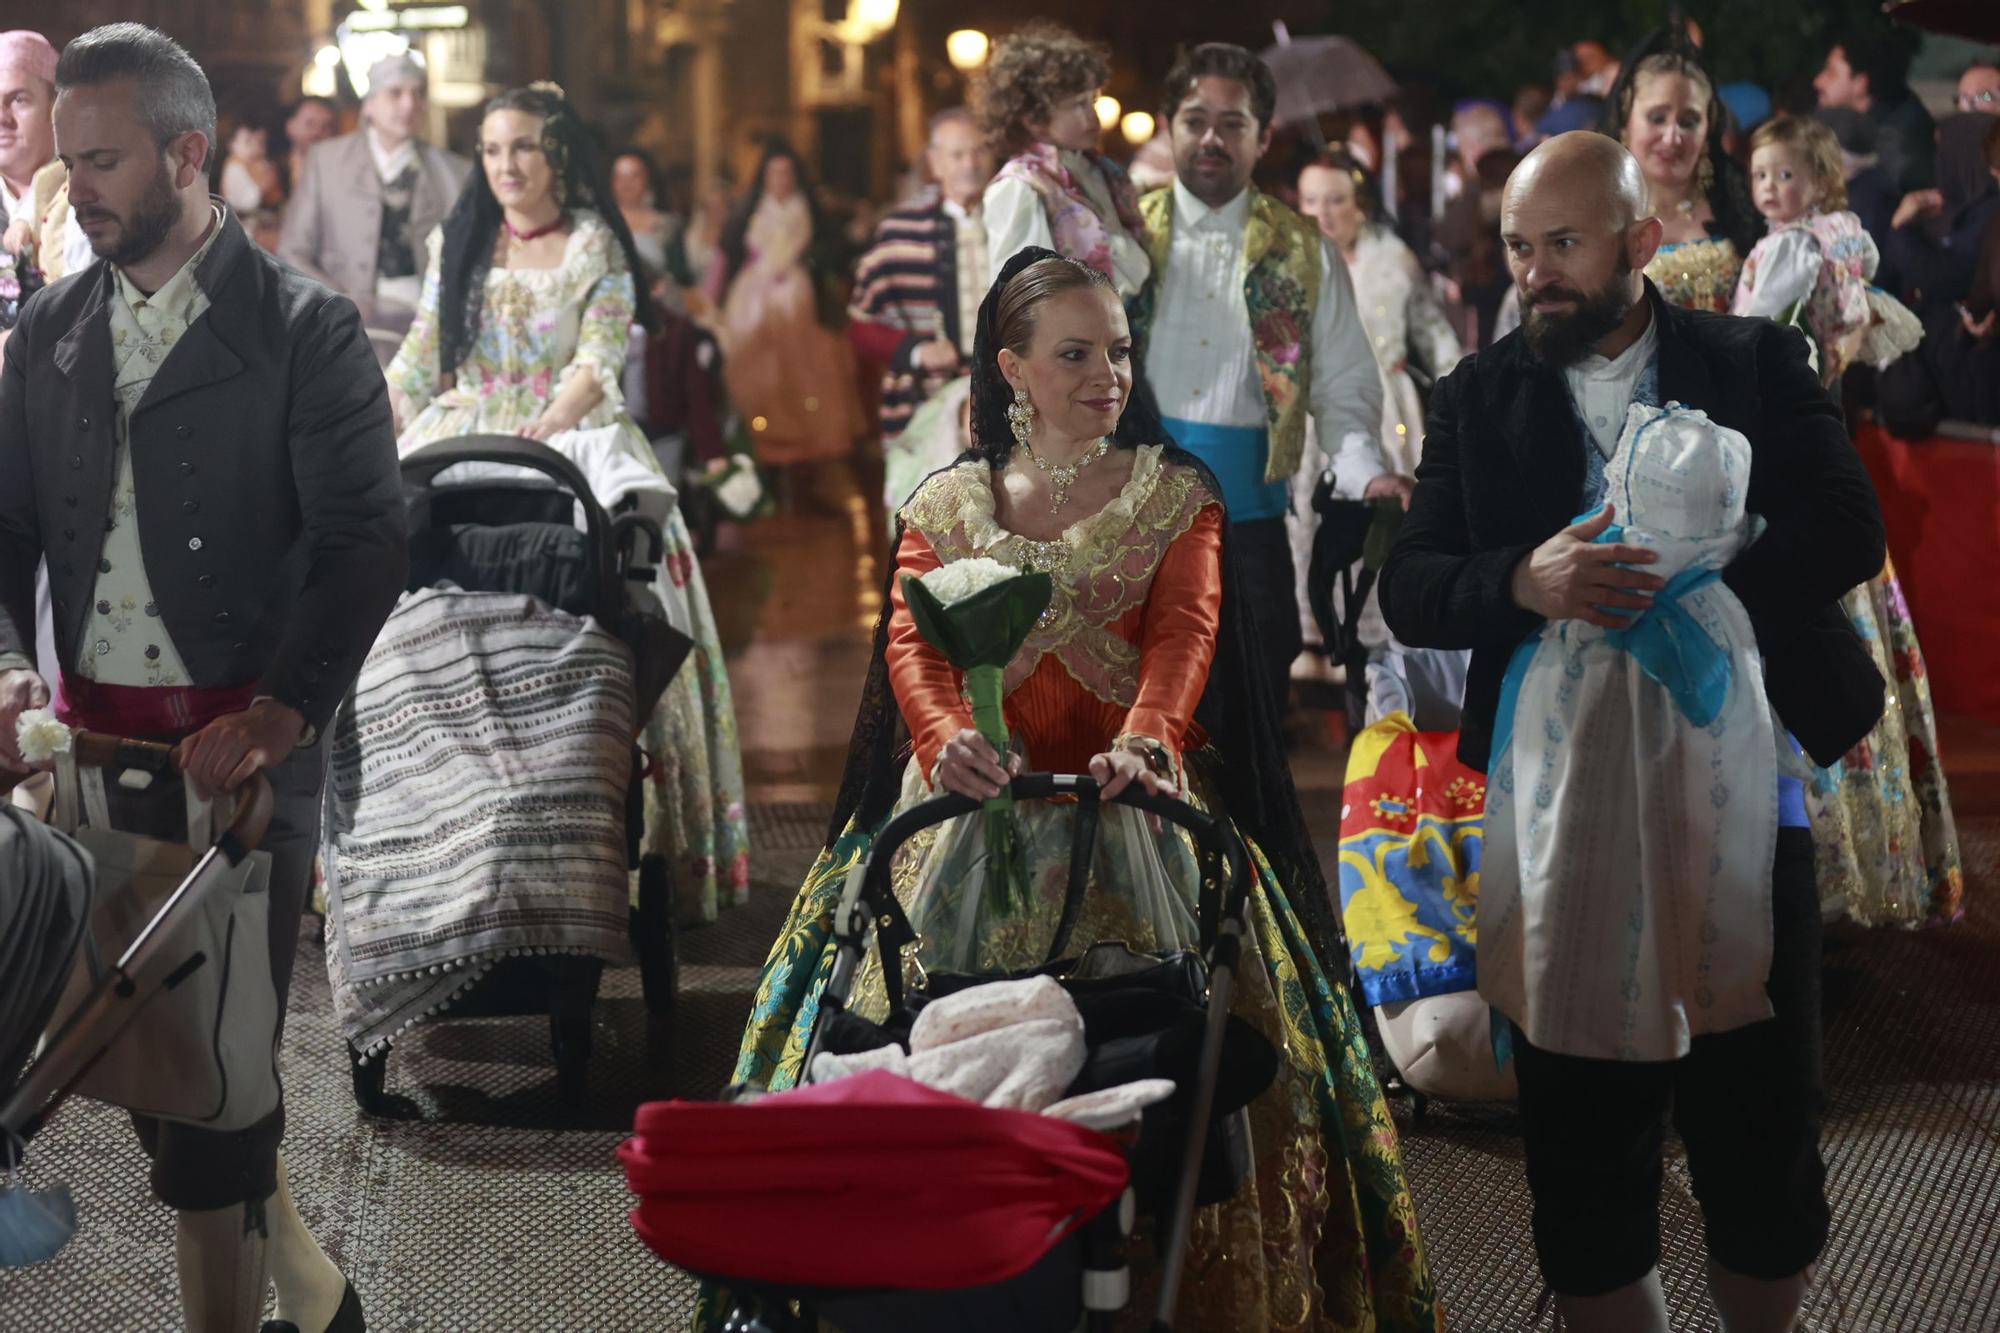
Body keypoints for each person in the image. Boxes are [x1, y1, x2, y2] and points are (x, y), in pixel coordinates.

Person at [695, 247, 1439, 1333]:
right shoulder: (945, 504)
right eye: (1076, 354)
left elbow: (1185, 637)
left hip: (1132, 815)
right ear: (1011, 369)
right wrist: (946, 740)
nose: (1109, 376)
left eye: (1120, 351)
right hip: (965, 818)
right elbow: (914, 647)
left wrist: (1144, 743)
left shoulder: (1176, 494)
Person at [1379, 131, 1888, 1333]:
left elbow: (1846, 525)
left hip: (1743, 798)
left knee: (1756, 1120)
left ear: (1639, 241)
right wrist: (1525, 579)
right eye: (1516, 247)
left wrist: (1696, 591)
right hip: (1556, 815)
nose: (1535, 272)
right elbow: (1414, 582)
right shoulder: (1474, 392)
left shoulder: (1752, 359)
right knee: (1580, 1135)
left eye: (1562, 243)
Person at [0, 23, 406, 1333]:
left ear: (190, 152)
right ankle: (312, 1290)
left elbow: (364, 541)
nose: (83, 187)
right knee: (165, 1093)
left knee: (215, 1104)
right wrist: (9, 672)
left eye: (106, 160)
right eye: (71, 162)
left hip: (243, 776)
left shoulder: (306, 329)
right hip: (86, 763)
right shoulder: (46, 335)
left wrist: (282, 709)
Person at [386, 84, 748, 923]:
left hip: (569, 430)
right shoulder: (462, 238)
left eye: (522, 148)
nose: (505, 166)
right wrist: (379, 410)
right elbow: (418, 353)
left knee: (620, 572)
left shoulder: (594, 246)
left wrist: (545, 431)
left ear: (555, 155)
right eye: (490, 150)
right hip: (469, 420)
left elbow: (595, 358)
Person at [1130, 42, 1402, 714]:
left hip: (1246, 528)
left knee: (1248, 724)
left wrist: (1366, 470)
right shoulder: (1122, 236)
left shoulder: (1303, 250)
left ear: (1264, 137)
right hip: (1126, 521)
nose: (1212, 139)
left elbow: (1344, 383)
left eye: (1233, 123)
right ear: (1170, 127)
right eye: (1195, 121)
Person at [1294, 150, 1468, 722]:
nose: (1324, 213)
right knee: (1316, 535)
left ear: (1360, 201)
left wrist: (1464, 397)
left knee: (1383, 535)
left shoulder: (1394, 260)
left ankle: (1384, 674)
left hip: (1387, 414)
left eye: (1337, 199)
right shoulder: (1291, 261)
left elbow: (1434, 333)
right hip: (1315, 413)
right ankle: (1324, 662)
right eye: (1312, 200)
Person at [278, 52, 470, 326]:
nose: (409, 104)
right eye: (395, 93)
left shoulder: (455, 172)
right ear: (369, 105)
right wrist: (338, 304)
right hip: (343, 326)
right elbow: (292, 251)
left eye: (417, 94)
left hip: (429, 325)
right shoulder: (326, 161)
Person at [704, 143, 865, 468]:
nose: (781, 179)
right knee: (755, 368)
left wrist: (810, 259)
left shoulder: (809, 210)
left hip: (803, 302)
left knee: (807, 375)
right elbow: (727, 251)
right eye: (774, 172)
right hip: (752, 301)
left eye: (787, 172)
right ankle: (759, 446)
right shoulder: (752, 210)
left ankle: (807, 458)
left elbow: (837, 247)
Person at [1732, 115, 1922, 385]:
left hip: (1803, 360)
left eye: (1784, 175)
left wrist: (1736, 346)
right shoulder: (1843, 223)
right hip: (1841, 344)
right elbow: (1868, 261)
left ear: (1821, 184)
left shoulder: (1790, 242)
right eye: (1759, 175)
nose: (1768, 186)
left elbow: (1769, 309)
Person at [848, 108, 995, 443]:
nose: (970, 164)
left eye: (979, 150)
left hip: (1010, 396)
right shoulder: (900, 232)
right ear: (935, 163)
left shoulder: (1015, 221)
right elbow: (861, 326)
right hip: (926, 401)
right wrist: (916, 351)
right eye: (957, 154)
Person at [980, 22, 1149, 299]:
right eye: (1077, 105)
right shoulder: (1022, 186)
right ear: (1034, 118)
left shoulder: (1099, 171)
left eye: (1092, 101)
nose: (1092, 116)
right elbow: (1022, 294)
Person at [1606, 31, 1759, 314]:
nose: (1672, 137)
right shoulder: (1601, 216)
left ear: (1708, 130)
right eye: (1657, 118)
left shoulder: (1745, 204)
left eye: (1689, 121)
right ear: (1626, 124)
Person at [1814, 34, 1935, 195]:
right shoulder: (1886, 123)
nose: (1818, 81)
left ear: (1861, 83)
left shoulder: (1895, 141)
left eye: (1831, 72)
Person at [610, 145, 680, 287]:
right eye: (620, 176)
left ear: (648, 179)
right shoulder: (600, 223)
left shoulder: (667, 225)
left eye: (634, 175)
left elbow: (680, 276)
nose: (626, 183)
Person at [280, 94, 337, 197]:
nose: (317, 132)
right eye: (309, 124)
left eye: (326, 126)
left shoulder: (340, 176)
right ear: (290, 127)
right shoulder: (273, 174)